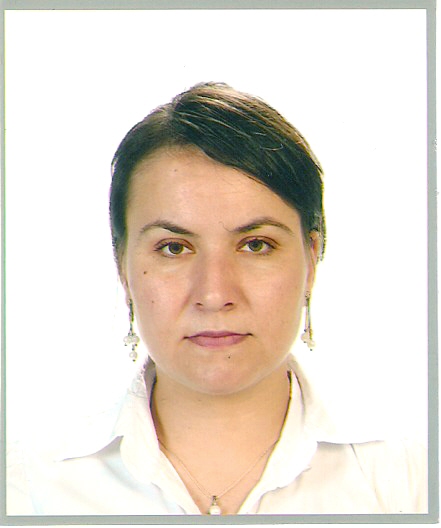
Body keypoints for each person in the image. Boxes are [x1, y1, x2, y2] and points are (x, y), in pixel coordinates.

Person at [7, 82, 427, 516]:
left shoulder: (409, 481)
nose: (214, 294)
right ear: (122, 267)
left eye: (256, 245)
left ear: (311, 260)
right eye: (174, 248)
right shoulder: (28, 488)